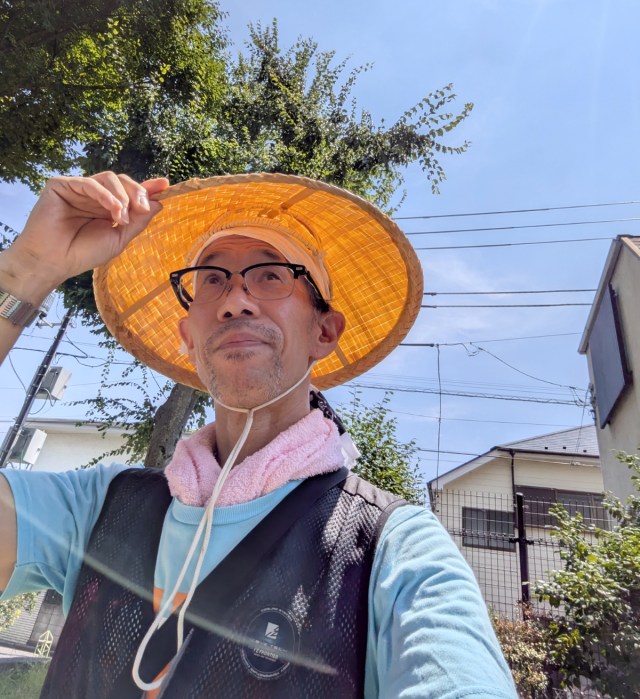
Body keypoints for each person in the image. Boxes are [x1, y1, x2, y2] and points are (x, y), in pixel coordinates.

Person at [0, 171, 517, 698]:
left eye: (271, 275)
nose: (234, 301)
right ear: (189, 337)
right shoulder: (99, 507)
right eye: (211, 280)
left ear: (324, 332)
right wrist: (28, 268)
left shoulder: (392, 548)